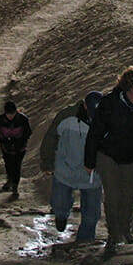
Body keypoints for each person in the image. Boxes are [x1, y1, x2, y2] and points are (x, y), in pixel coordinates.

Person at [84, 66, 133, 253]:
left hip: (132, 156)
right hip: (108, 155)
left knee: (127, 195)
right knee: (113, 196)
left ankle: (125, 230)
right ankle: (113, 234)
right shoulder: (109, 103)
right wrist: (89, 160)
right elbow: (95, 133)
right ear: (125, 90)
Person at [40, 92, 104, 242]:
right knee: (59, 204)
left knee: (91, 215)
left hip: (92, 175)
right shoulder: (67, 116)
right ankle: (61, 215)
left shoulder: (107, 118)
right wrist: (47, 161)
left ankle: (84, 244)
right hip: (66, 170)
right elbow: (51, 137)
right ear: (85, 106)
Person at [0, 101, 32, 196]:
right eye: (8, 114)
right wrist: (3, 141)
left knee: (17, 166)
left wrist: (20, 141)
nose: (10, 116)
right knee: (8, 164)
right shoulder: (0, 120)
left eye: (12, 114)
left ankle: (15, 186)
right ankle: (9, 179)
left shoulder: (23, 119)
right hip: (6, 147)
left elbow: (28, 132)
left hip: (20, 147)